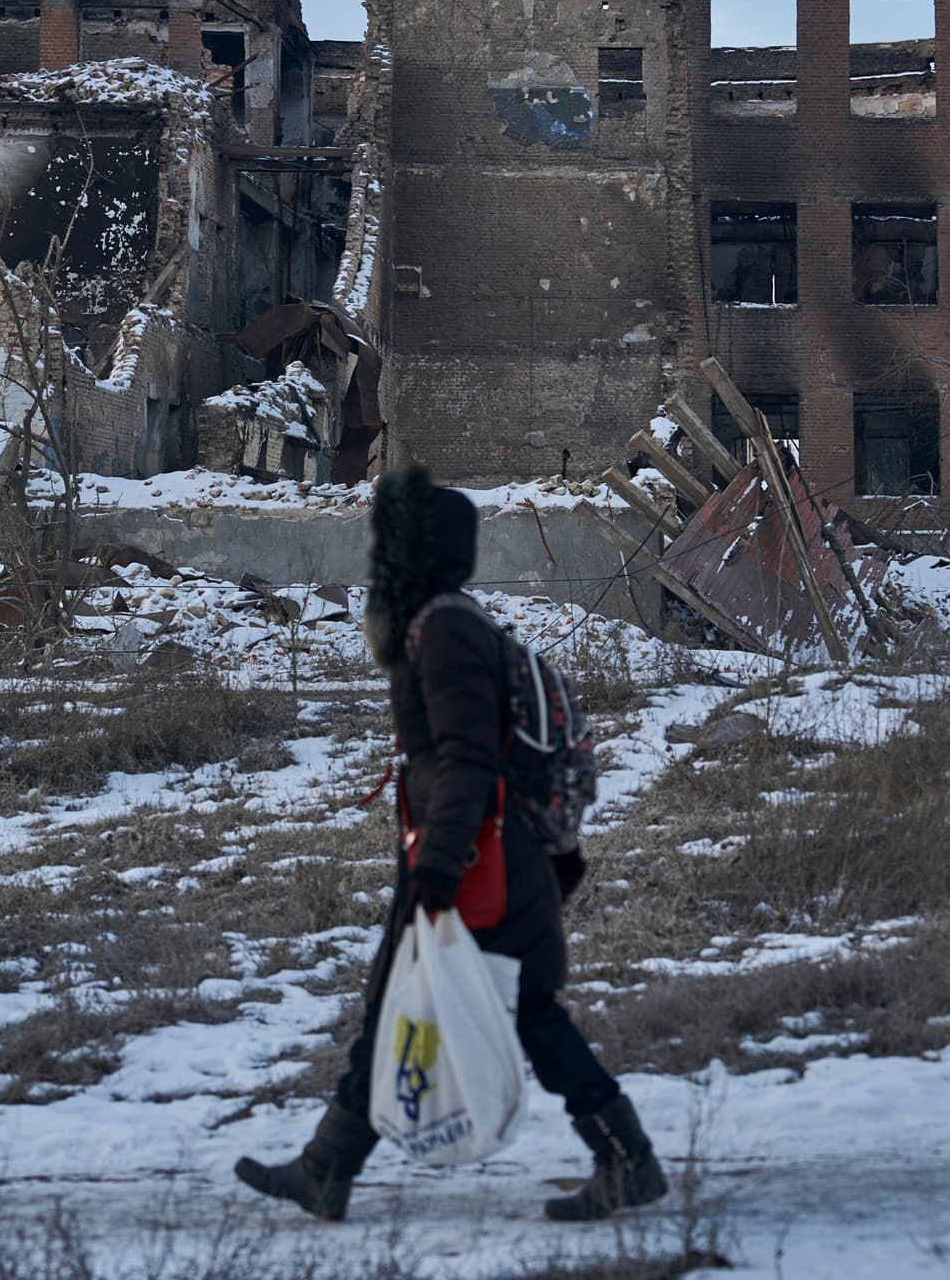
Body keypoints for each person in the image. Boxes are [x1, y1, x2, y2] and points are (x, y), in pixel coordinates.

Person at [234, 465, 666, 1223]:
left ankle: (627, 1161)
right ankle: (326, 1169)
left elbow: (468, 757)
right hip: (483, 854)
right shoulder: (448, 621)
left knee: (518, 1009)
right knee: (413, 1003)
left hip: (475, 861)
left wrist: (435, 865)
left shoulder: (445, 629)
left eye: (389, 546)